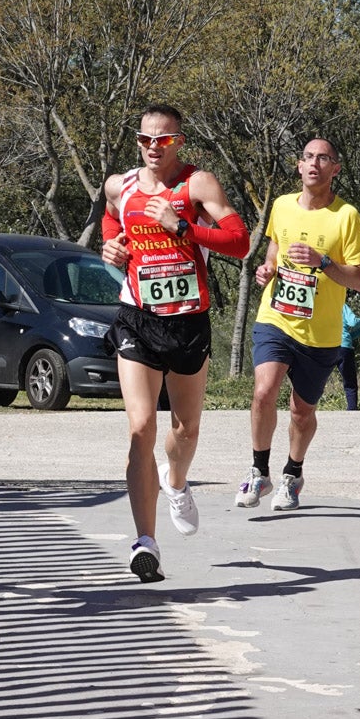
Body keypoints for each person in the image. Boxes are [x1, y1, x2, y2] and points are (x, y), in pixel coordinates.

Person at [102, 104, 250, 583]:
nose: (151, 147)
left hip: (188, 322)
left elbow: (239, 241)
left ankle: (177, 481)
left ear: (178, 142)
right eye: (144, 138)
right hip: (137, 318)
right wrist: (112, 247)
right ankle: (146, 541)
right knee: (141, 426)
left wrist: (183, 226)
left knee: (185, 431)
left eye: (162, 140)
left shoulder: (196, 185)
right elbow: (110, 219)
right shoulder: (119, 186)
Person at [235, 138, 360, 512]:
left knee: (301, 410)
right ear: (299, 166)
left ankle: (292, 475)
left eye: (324, 158)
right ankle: (258, 471)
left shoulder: (347, 217)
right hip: (276, 317)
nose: (315, 163)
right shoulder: (281, 206)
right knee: (264, 391)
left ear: (335, 169)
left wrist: (324, 262)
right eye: (309, 157)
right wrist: (267, 270)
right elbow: (274, 253)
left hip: (321, 333)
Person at [337, 302, 360, 410]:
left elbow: (347, 336)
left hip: (327, 347)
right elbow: (352, 322)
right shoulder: (342, 305)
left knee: (318, 380)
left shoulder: (324, 305)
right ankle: (352, 409)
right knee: (350, 381)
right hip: (344, 349)